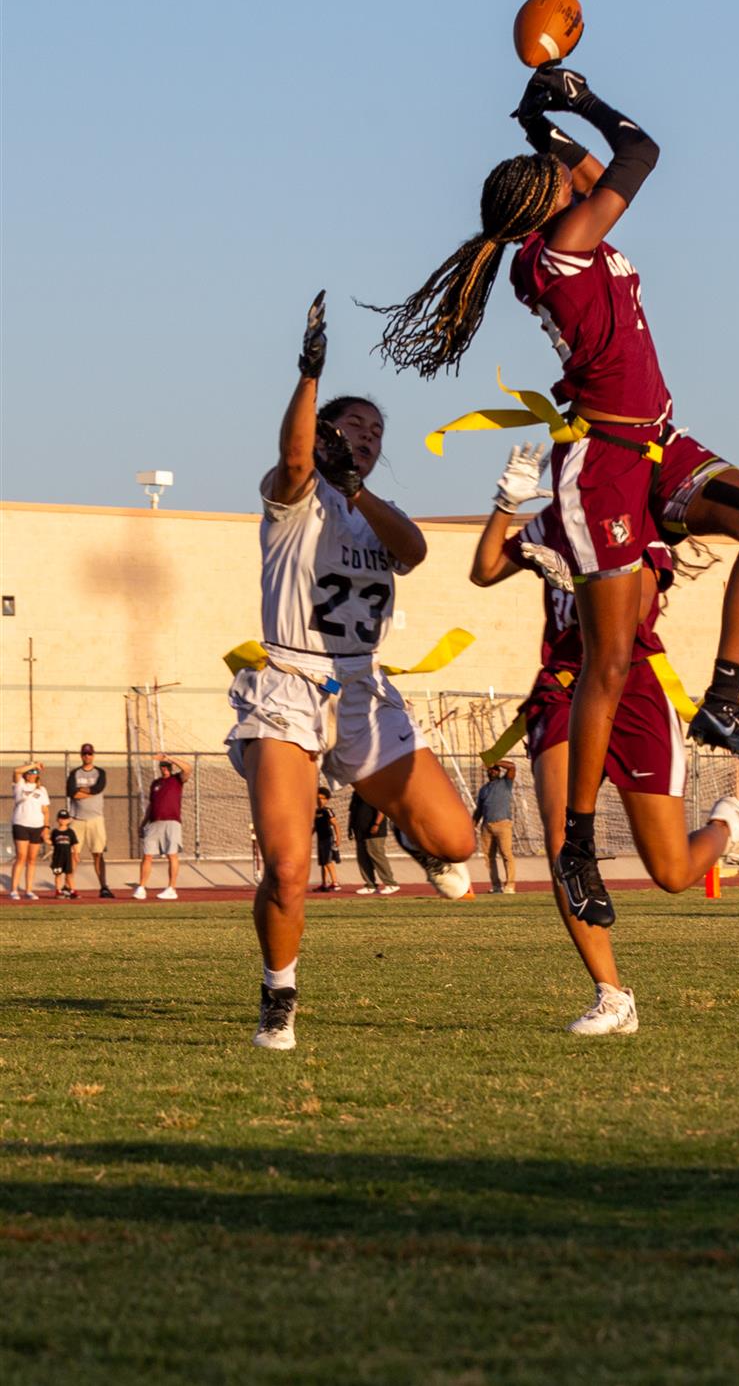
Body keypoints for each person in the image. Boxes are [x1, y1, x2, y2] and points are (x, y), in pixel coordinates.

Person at [368, 65, 739, 921]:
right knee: (607, 661)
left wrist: (541, 121)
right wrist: (582, 94)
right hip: (604, 463)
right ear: (551, 207)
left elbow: (593, 168)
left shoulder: (557, 241)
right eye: (568, 180)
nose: (582, 175)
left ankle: (723, 696)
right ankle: (575, 846)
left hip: (660, 443)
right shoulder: (560, 253)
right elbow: (638, 152)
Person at [225, 292, 475, 1051]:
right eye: (353, 424)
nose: (366, 435)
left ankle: (409, 832)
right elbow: (297, 458)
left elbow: (419, 552)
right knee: (291, 868)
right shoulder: (295, 498)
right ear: (328, 431)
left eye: (377, 430)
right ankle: (279, 994)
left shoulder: (375, 506)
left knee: (459, 844)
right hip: (290, 685)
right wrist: (309, 375)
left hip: (362, 687)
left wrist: (359, 483)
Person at [471, 445, 739, 1034]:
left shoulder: (631, 517)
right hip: (566, 687)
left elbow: (637, 606)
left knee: (671, 871)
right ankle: (612, 994)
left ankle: (728, 828)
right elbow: (484, 569)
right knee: (562, 835)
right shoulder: (551, 521)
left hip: (633, 686)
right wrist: (507, 503)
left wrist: (587, 575)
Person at [133, 754, 191, 901]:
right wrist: (143, 823)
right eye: (162, 767)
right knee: (147, 855)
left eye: (167, 767)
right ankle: (141, 887)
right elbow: (151, 805)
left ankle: (171, 888)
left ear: (171, 768)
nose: (165, 769)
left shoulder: (177, 780)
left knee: (172, 854)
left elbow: (188, 768)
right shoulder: (156, 783)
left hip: (172, 822)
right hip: (154, 822)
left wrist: (170, 758)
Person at [66, 742, 113, 897]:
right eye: (84, 754)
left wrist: (83, 791)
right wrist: (88, 792)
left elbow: (98, 788)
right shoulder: (74, 773)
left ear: (93, 755)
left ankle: (104, 886)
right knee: (73, 854)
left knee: (98, 853)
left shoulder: (100, 772)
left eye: (89, 754)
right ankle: (69, 887)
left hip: (95, 819)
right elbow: (71, 792)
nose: (87, 756)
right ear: (81, 755)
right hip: (77, 819)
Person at [472, 761, 517, 893]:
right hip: (487, 826)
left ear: (499, 771)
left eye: (495, 769)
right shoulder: (484, 789)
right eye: (490, 769)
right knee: (489, 857)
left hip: (503, 824)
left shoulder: (505, 783)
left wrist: (495, 761)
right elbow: (479, 810)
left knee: (506, 854)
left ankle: (510, 885)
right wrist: (472, 826)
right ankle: (496, 886)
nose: (493, 771)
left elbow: (512, 767)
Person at [8, 762, 50, 901]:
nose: (32, 775)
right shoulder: (20, 785)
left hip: (36, 826)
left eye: (35, 773)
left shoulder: (41, 790)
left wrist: (46, 828)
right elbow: (16, 770)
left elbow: (45, 811)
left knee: (32, 859)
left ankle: (29, 890)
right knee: (21, 856)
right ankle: (14, 889)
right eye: (30, 772)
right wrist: (33, 765)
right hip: (21, 824)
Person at [347, 788, 399, 896]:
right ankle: (370, 885)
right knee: (363, 858)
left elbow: (382, 809)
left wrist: (376, 824)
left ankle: (391, 884)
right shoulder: (356, 793)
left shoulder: (375, 790)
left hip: (374, 831)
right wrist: (350, 828)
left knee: (377, 856)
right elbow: (352, 812)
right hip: (359, 831)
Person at [312, 786, 341, 891]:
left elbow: (335, 825)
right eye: (318, 798)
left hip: (328, 839)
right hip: (320, 840)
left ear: (327, 799)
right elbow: (316, 826)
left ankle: (335, 882)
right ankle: (324, 884)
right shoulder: (315, 812)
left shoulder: (327, 811)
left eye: (323, 798)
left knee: (328, 861)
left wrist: (338, 838)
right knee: (323, 863)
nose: (320, 800)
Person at [49, 810, 80, 898]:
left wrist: (76, 855)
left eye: (65, 819)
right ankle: (58, 891)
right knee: (58, 875)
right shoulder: (55, 832)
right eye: (61, 818)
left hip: (67, 857)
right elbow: (51, 842)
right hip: (57, 857)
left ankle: (72, 891)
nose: (63, 820)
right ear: (57, 820)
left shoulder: (70, 832)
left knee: (69, 875)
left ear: (69, 820)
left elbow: (75, 844)